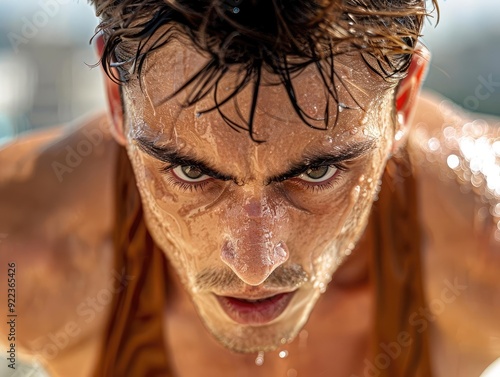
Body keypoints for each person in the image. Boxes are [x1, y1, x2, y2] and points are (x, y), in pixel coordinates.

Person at [0, 0, 499, 376]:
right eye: (192, 173)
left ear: (402, 101)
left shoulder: (484, 247)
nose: (255, 266)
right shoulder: (23, 254)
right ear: (117, 100)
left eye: (315, 173)